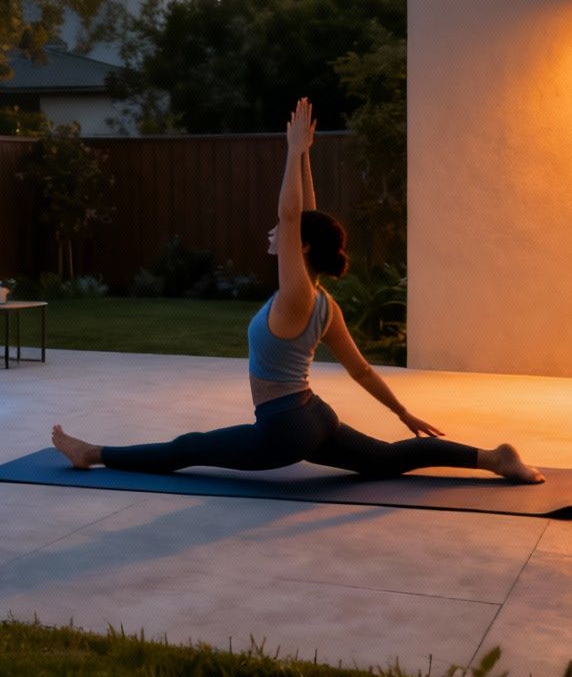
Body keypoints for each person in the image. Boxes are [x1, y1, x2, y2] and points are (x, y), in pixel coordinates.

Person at [50, 97, 543, 484]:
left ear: (300, 247)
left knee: (190, 446)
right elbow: (362, 369)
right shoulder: (321, 303)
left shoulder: (296, 297)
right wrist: (402, 412)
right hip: (315, 417)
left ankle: (90, 453)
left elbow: (291, 216)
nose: (274, 233)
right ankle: (494, 458)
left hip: (285, 430)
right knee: (387, 460)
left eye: (284, 235)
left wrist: (291, 151)